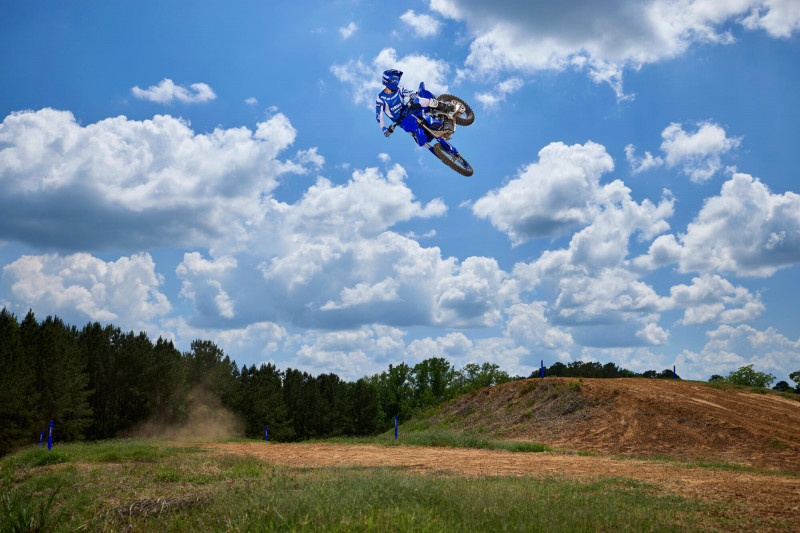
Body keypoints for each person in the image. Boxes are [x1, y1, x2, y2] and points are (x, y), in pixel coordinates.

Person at [375, 69, 454, 146]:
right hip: (402, 120)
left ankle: (444, 108)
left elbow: (409, 92)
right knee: (419, 131)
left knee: (422, 97)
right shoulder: (380, 98)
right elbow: (379, 116)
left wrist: (413, 94)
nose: (396, 81)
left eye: (397, 79)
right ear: (387, 81)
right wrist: (384, 128)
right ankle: (424, 137)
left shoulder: (399, 89)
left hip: (409, 109)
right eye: (394, 79)